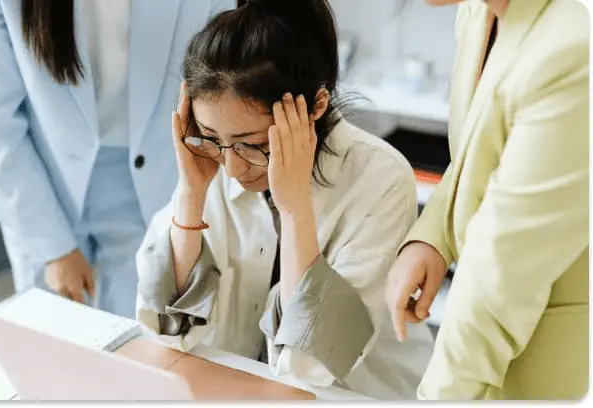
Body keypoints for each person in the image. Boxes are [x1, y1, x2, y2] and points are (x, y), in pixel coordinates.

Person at [135, 0, 434, 399]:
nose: (233, 168)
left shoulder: (379, 179)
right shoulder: (214, 163)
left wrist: (294, 211)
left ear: (317, 107)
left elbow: (309, 365)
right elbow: (163, 327)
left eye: (253, 144)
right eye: (211, 136)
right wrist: (191, 194)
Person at [0, 0, 235, 318]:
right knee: (51, 341)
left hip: (156, 176)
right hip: (40, 179)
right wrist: (52, 246)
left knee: (142, 338)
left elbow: (216, 77)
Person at [385, 0, 589, 400]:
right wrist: (433, 237)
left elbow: (502, 272)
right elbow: (478, 157)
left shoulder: (574, 44)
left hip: (547, 364)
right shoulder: (479, 12)